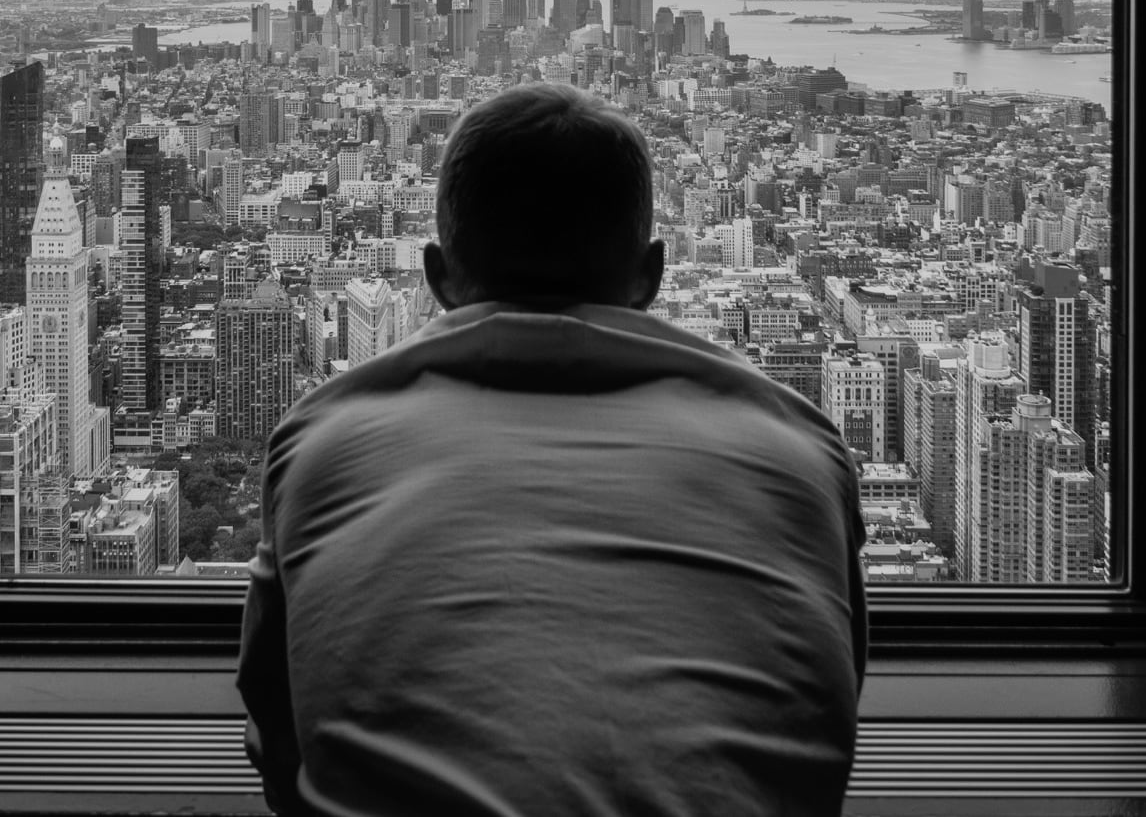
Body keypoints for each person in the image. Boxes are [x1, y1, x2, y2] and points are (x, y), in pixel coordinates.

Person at [237, 82, 867, 816]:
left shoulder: (322, 443)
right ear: (652, 275)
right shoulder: (799, 451)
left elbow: (276, 729)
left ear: (438, 276)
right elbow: (830, 703)